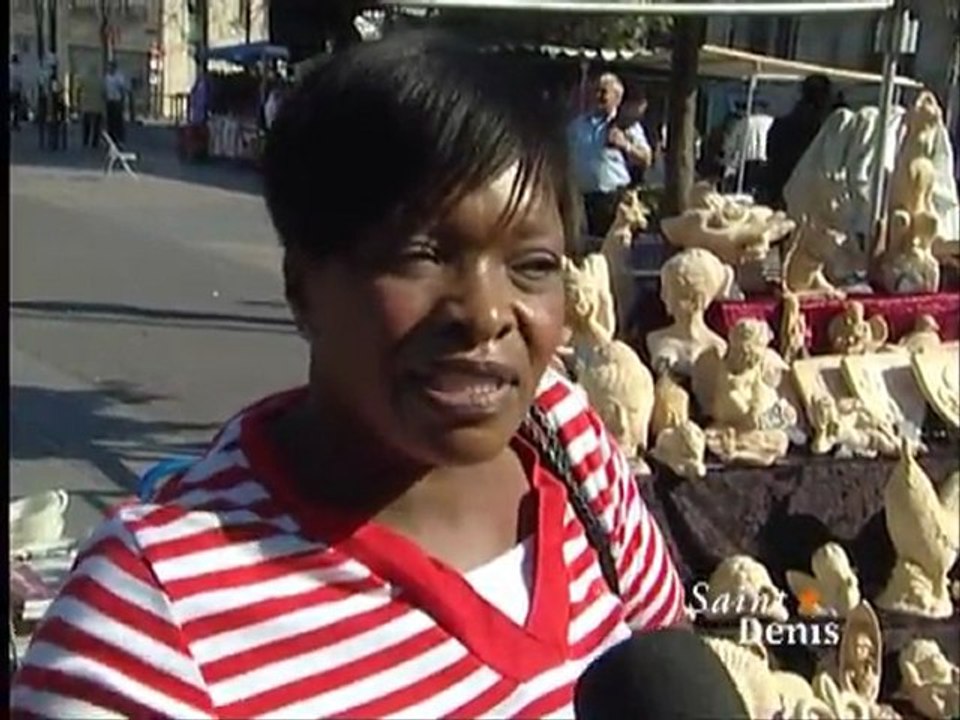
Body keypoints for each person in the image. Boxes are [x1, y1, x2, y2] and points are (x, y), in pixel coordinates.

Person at [10, 31, 686, 719]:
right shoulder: (145, 622)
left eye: (532, 265)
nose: (485, 314)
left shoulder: (568, 442)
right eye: (421, 255)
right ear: (302, 288)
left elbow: (664, 667)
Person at [569, 73, 652, 237]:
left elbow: (646, 159)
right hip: (582, 199)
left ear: (618, 97)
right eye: (595, 91)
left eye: (603, 92)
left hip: (612, 199)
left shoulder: (628, 127)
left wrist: (625, 145)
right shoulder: (578, 125)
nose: (597, 96)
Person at [763, 74, 834, 208]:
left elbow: (771, 155)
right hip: (804, 198)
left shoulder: (780, 124)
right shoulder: (820, 131)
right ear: (823, 98)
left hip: (778, 192)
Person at [77, 71, 105, 149]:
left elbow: (79, 89)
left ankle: (85, 141)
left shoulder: (85, 80)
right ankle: (94, 142)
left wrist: (79, 102)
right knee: (96, 125)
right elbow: (104, 93)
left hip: (86, 104)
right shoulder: (100, 81)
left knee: (86, 125)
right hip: (97, 105)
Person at [104, 59, 128, 143]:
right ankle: (111, 136)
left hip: (117, 100)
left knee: (118, 120)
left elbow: (122, 89)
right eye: (108, 67)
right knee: (110, 120)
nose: (109, 68)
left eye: (111, 67)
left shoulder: (119, 76)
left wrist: (122, 100)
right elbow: (105, 89)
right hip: (109, 100)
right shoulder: (107, 77)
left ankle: (119, 136)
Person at [9, 53, 23, 131]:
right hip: (16, 90)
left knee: (12, 107)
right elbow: (19, 80)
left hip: (10, 90)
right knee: (16, 107)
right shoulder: (18, 68)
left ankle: (13, 123)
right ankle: (15, 123)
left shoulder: (10, 67)